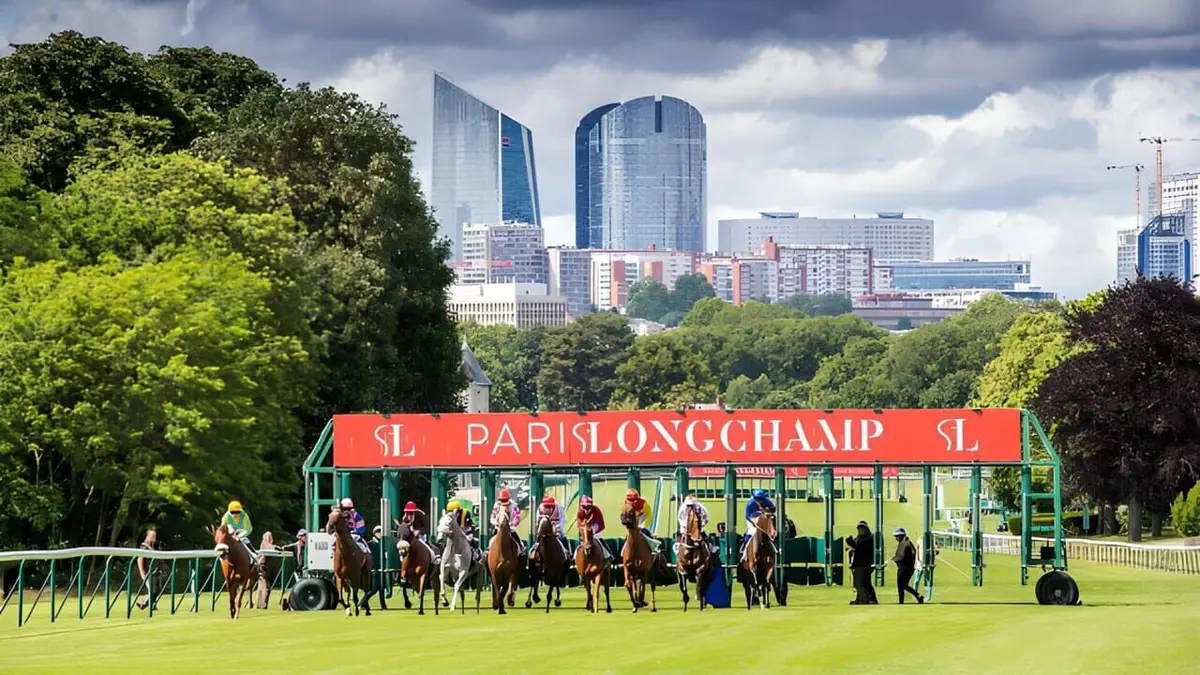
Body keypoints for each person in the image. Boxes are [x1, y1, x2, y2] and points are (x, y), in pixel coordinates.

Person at [846, 520, 878, 605]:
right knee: (865, 583)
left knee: (860, 583)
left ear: (866, 529)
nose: (860, 530)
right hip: (858, 564)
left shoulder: (869, 538)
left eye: (862, 529)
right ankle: (865, 599)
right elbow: (856, 546)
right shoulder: (859, 538)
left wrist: (852, 543)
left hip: (864, 564)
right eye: (859, 529)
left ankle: (864, 599)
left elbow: (860, 548)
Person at [530, 496, 569, 560]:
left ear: (553, 506)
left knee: (563, 538)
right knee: (538, 540)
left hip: (556, 528)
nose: (548, 509)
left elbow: (563, 519)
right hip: (543, 529)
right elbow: (537, 522)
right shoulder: (540, 510)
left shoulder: (559, 509)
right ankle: (532, 553)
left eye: (550, 507)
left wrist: (558, 528)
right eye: (546, 506)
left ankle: (567, 553)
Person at [741, 488, 776, 561]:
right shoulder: (750, 504)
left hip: (765, 520)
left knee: (772, 532)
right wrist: (753, 522)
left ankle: (776, 548)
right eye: (757, 498)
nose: (760, 500)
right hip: (753, 520)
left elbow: (773, 510)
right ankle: (744, 550)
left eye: (761, 498)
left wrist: (770, 511)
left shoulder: (767, 501)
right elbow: (747, 516)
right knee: (752, 532)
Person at [891, 527, 923, 604]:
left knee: (902, 584)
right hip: (906, 567)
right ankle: (903, 600)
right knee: (902, 585)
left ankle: (916, 596)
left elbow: (902, 556)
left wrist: (895, 559)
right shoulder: (905, 542)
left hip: (905, 567)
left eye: (897, 536)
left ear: (901, 536)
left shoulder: (905, 543)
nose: (896, 538)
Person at [623, 488, 660, 554]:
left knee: (644, 532)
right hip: (634, 518)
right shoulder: (626, 505)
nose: (631, 502)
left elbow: (648, 517)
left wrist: (642, 526)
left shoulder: (645, 505)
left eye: (633, 500)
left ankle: (653, 548)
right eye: (629, 500)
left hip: (643, 517)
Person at [489, 489, 525, 556]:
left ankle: (521, 551)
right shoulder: (497, 505)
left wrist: (512, 523)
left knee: (519, 542)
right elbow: (492, 517)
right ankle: (488, 552)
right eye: (502, 500)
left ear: (508, 499)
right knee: (491, 542)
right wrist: (498, 523)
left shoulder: (514, 505)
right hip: (499, 528)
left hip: (510, 528)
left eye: (505, 500)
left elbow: (517, 517)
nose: (503, 501)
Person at [576, 495, 611, 560]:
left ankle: (608, 555)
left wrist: (592, 530)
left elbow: (600, 524)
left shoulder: (596, 510)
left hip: (595, 531)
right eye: (584, 507)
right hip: (584, 532)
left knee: (599, 541)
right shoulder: (579, 512)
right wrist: (584, 530)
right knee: (580, 543)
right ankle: (574, 557)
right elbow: (579, 525)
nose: (586, 509)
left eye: (588, 507)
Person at [135, 529, 158, 610]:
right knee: (152, 589)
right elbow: (140, 560)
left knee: (154, 590)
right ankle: (146, 604)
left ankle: (146, 604)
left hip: (153, 572)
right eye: (152, 535)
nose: (154, 537)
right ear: (147, 537)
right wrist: (143, 573)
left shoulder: (153, 546)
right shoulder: (144, 547)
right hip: (146, 572)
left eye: (154, 535)